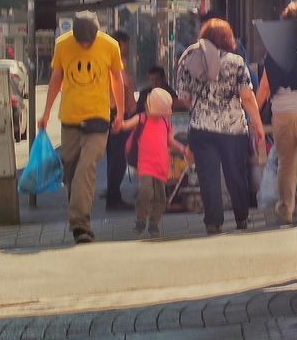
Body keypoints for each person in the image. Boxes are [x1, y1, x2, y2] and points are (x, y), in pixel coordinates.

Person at [38, 11, 125, 244]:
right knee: (71, 173)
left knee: (86, 168)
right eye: (81, 41)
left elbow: (117, 79)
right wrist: (46, 112)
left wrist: (120, 113)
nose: (85, 44)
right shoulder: (62, 45)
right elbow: (56, 78)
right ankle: (78, 216)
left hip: (98, 117)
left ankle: (80, 225)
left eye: (89, 40)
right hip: (70, 118)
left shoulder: (110, 46)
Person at [175, 17, 267, 235]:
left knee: (208, 176)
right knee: (235, 173)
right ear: (228, 38)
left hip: (201, 128)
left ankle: (213, 222)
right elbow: (247, 96)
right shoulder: (236, 62)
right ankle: (241, 217)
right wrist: (258, 125)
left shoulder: (189, 58)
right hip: (233, 129)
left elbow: (185, 98)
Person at [256, 2, 297, 226]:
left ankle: (286, 210)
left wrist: (253, 115)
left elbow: (265, 87)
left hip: (283, 112)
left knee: (287, 163)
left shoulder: (275, 50)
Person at [121, 88, 191, 238]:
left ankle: (153, 224)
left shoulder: (166, 122)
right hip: (145, 163)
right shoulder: (142, 118)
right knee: (146, 191)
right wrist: (118, 122)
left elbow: (170, 140)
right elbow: (126, 125)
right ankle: (141, 220)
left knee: (160, 197)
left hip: (161, 164)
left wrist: (182, 148)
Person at [102, 30, 137, 211]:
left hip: (115, 112)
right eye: (126, 44)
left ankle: (112, 191)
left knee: (114, 156)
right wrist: (124, 113)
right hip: (117, 114)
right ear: (120, 43)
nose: (128, 48)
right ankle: (113, 197)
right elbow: (122, 85)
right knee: (118, 158)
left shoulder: (112, 60)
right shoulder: (116, 61)